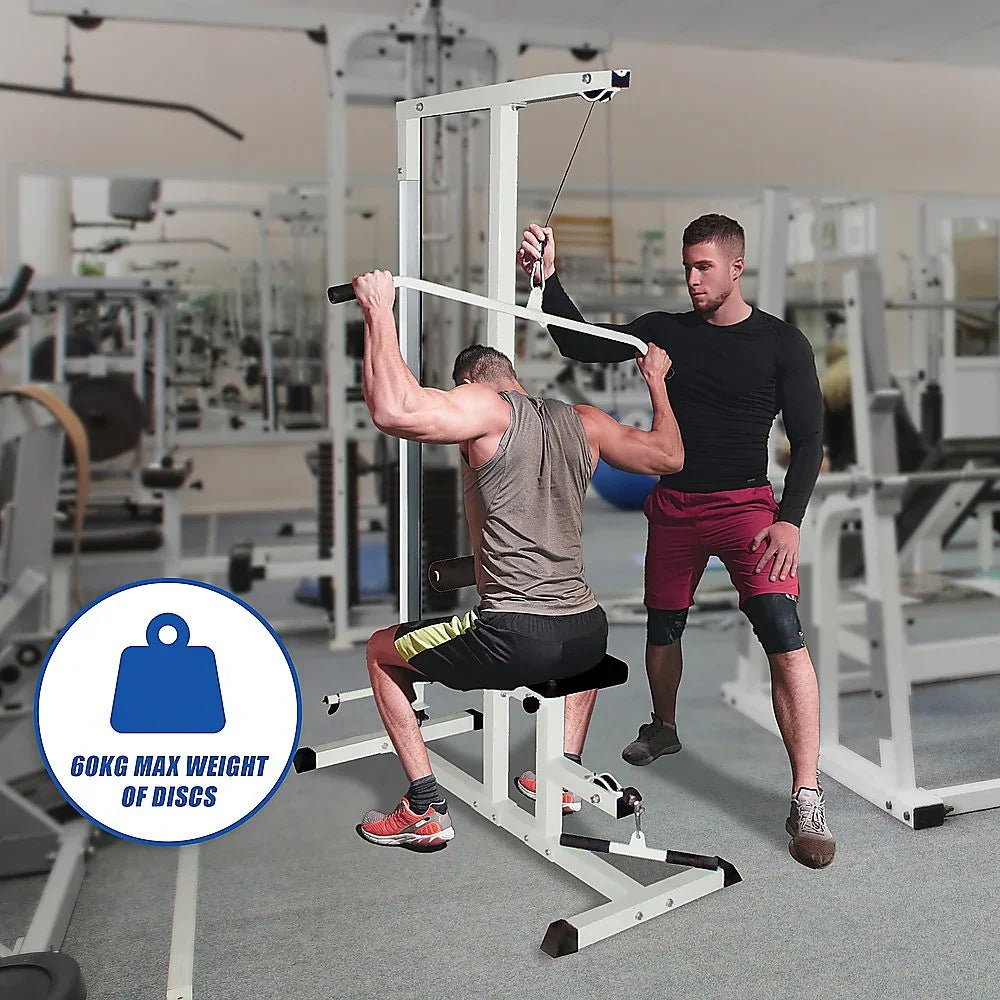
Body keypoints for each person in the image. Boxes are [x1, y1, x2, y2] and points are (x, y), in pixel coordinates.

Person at [518, 214, 836, 870]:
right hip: (674, 507)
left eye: (704, 268)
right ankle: (663, 726)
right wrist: (548, 279)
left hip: (748, 507)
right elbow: (583, 346)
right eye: (687, 268)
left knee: (785, 633)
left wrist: (791, 519)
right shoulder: (664, 331)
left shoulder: (782, 343)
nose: (691, 279)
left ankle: (806, 794)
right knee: (663, 628)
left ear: (735, 267)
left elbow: (808, 440)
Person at [350, 269, 684, 849]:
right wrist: (656, 382)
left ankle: (424, 806)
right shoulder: (582, 421)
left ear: (470, 383)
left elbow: (394, 411)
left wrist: (379, 309)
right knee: (577, 645)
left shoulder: (486, 407)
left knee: (382, 651)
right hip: (586, 629)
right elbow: (669, 456)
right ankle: (561, 773)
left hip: (514, 633)